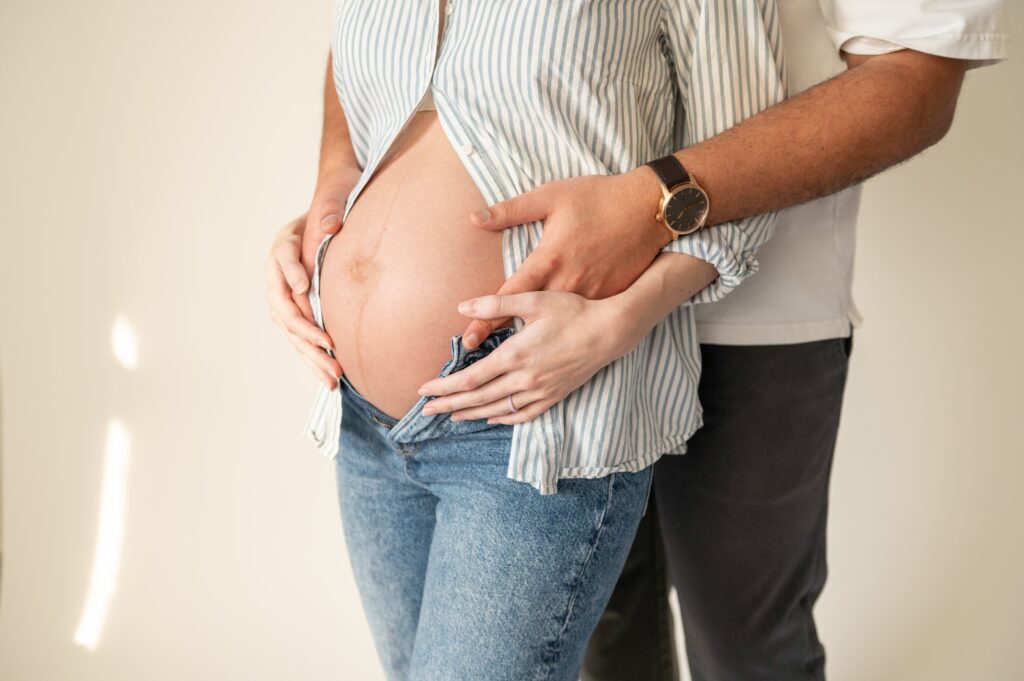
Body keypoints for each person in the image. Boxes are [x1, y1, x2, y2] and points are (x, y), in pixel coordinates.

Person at [267, 1, 787, 679]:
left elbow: (754, 155)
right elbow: (357, 61)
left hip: (531, 417)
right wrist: (336, 178)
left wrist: (625, 316)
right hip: (361, 417)